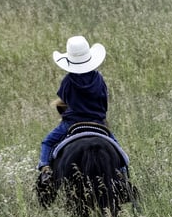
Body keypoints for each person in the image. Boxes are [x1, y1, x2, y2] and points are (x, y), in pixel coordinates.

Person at [37, 35, 121, 184]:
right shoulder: (99, 79)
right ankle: (122, 177)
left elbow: (62, 103)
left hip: (72, 124)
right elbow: (104, 102)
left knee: (48, 143)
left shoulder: (68, 81)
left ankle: (45, 171)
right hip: (99, 123)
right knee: (120, 153)